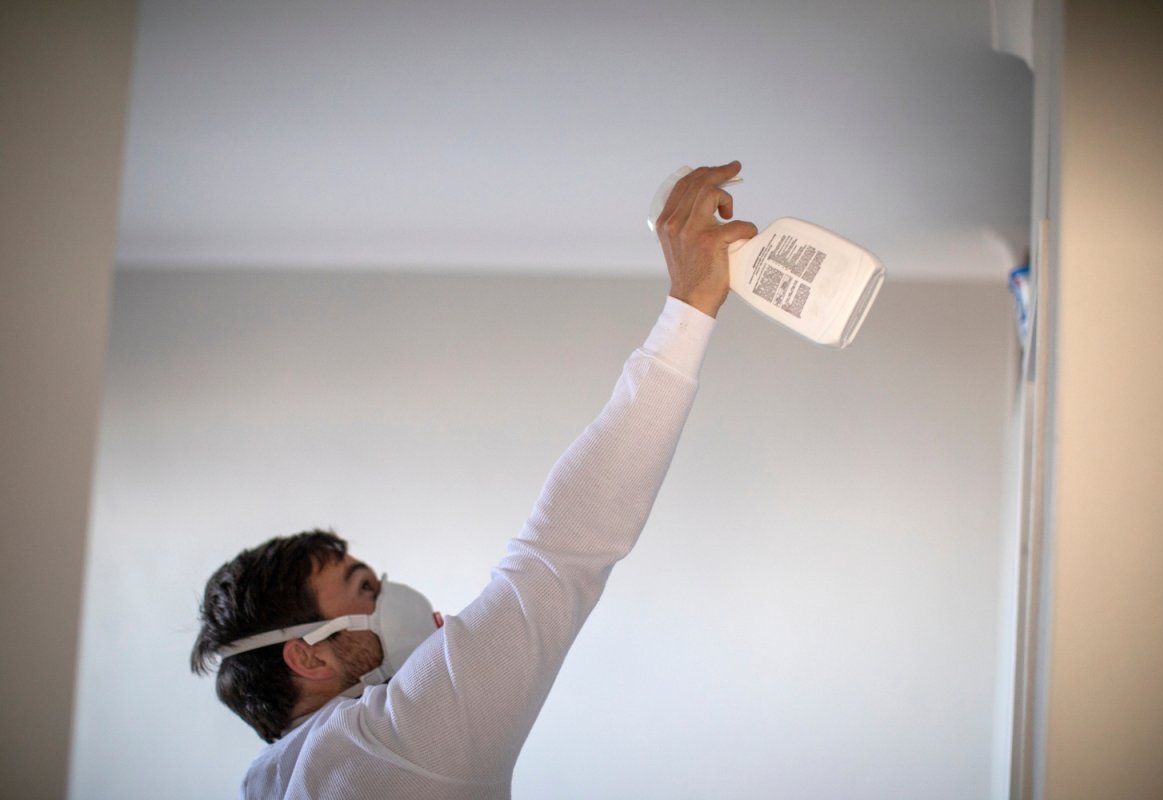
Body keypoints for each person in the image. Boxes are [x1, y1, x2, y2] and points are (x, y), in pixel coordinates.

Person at [191, 162, 758, 799]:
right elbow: (560, 552)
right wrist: (689, 308)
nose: (394, 595)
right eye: (365, 589)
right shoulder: (397, 742)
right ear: (309, 655)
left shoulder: (271, 783)